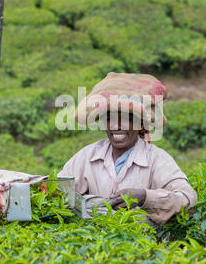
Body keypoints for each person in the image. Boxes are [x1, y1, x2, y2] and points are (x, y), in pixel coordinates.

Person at [57, 72, 197, 225]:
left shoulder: (156, 158)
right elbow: (58, 190)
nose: (117, 126)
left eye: (127, 119)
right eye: (110, 118)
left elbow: (187, 199)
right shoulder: (88, 155)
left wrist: (144, 197)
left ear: (141, 124)